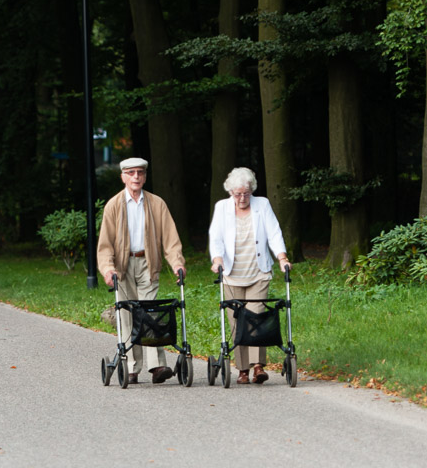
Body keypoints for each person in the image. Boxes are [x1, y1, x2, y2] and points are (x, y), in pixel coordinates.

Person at [96, 157, 187, 384]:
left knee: (149, 313)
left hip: (147, 262)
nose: (136, 177)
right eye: (131, 173)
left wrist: (176, 263)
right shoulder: (114, 205)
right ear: (123, 177)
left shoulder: (157, 204)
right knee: (127, 314)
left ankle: (157, 367)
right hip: (122, 267)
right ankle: (132, 368)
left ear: (145, 176)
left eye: (140, 173)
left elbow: (171, 240)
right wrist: (108, 269)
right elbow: (105, 245)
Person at [208, 167, 290, 384]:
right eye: (237, 194)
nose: (242, 198)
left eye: (246, 193)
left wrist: (282, 258)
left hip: (258, 273)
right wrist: (217, 260)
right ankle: (242, 370)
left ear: (251, 190)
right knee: (237, 323)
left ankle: (258, 367)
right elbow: (215, 237)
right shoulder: (222, 208)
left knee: (256, 320)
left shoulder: (261, 205)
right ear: (230, 192)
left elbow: (274, 232)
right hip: (231, 275)